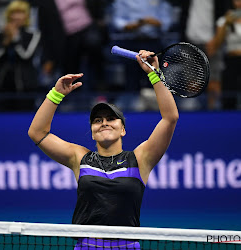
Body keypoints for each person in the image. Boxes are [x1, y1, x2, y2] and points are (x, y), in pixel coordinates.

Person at [28, 49, 179, 249]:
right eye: (97, 121)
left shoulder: (141, 158)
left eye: (110, 119)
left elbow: (170, 118)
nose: (104, 123)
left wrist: (154, 73)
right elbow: (37, 133)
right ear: (92, 132)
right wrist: (56, 94)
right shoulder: (80, 158)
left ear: (123, 129)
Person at [109, 0, 173, 91]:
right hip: (130, 44)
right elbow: (119, 23)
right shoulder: (121, 1)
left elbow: (166, 23)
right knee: (131, 81)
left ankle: (153, 100)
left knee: (154, 82)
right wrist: (140, 23)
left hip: (153, 43)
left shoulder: (161, 2)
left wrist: (150, 21)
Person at [0, 0, 40, 93]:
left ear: (26, 16)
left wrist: (15, 38)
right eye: (14, 13)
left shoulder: (33, 35)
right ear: (9, 15)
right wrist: (6, 41)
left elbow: (26, 56)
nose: (17, 17)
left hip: (26, 84)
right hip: (2, 83)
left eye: (21, 13)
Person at [208, 0, 241, 110]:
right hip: (231, 61)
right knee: (229, 98)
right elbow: (216, 44)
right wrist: (226, 23)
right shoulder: (224, 20)